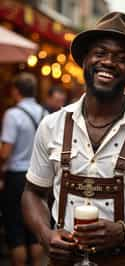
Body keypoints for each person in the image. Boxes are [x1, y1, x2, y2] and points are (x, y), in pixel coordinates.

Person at [21, 12, 125, 266]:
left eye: (122, 58)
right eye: (100, 53)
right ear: (85, 60)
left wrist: (124, 232)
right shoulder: (51, 125)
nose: (109, 62)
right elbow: (31, 193)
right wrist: (46, 235)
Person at [0, 72, 47, 266]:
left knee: (16, 229)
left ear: (16, 91)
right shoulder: (45, 114)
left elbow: (5, 153)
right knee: (35, 229)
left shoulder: (13, 115)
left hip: (17, 176)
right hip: (38, 176)